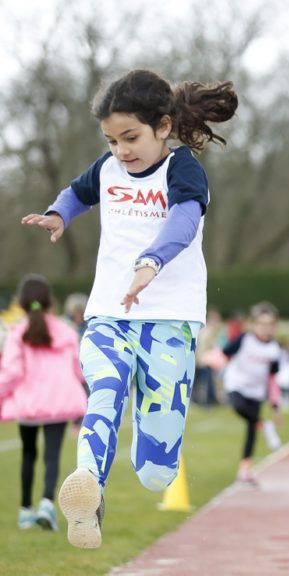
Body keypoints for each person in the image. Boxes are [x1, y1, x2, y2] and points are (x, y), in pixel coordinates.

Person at [20, 69, 238, 548]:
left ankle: (148, 450)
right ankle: (88, 492)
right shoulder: (109, 168)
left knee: (157, 472)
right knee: (105, 389)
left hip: (167, 320)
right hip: (108, 314)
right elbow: (79, 192)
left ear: (163, 126)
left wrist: (150, 264)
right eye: (112, 140)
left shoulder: (182, 169)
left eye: (130, 137)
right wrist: (59, 214)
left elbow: (183, 223)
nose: (121, 150)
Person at [0, 275, 88, 531]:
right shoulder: (67, 331)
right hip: (59, 404)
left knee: (28, 455)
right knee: (52, 456)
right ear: (50, 302)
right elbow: (79, 370)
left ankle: (25, 510)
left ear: (22, 303)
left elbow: (11, 373)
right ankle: (47, 504)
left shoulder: (18, 333)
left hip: (29, 406)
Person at [221, 302, 282, 485]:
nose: (266, 329)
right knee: (239, 407)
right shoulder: (245, 339)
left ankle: (245, 470)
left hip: (257, 391)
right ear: (254, 324)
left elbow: (272, 379)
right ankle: (264, 425)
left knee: (250, 431)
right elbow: (224, 353)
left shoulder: (274, 349)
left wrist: (275, 405)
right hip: (236, 383)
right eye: (262, 324)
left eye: (270, 325)